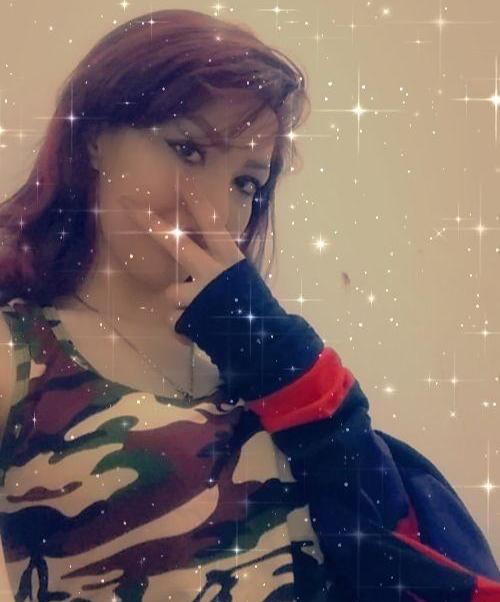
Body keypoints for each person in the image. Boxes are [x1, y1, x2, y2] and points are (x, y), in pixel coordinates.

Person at [0, 8, 498, 602]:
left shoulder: (261, 364)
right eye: (187, 149)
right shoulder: (21, 355)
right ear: (94, 141)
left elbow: (382, 547)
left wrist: (272, 348)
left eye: (246, 183)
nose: (214, 210)